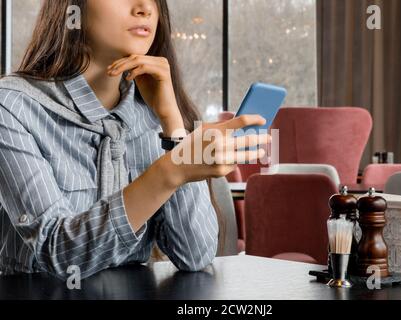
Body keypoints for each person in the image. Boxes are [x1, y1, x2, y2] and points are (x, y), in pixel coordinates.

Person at [0, 0, 269, 280]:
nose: (145, 8)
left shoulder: (153, 113)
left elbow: (195, 255)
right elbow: (59, 254)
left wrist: (172, 123)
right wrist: (172, 169)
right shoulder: (12, 106)